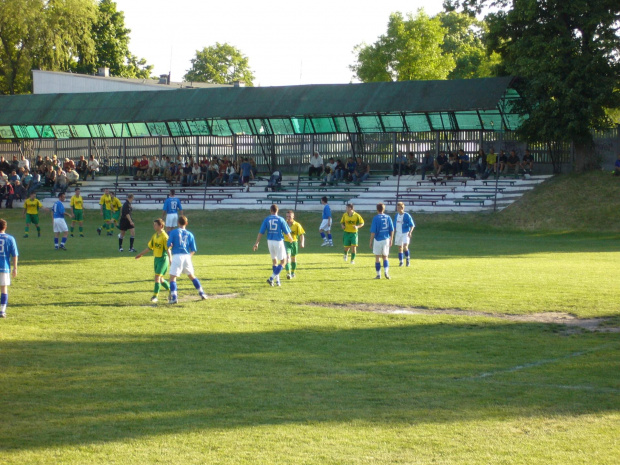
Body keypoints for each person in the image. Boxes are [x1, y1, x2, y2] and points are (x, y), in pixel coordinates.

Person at [167, 215, 207, 303]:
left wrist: (170, 247)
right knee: (192, 276)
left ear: (178, 222)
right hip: (187, 256)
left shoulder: (173, 232)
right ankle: (202, 293)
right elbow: (193, 250)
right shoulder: (190, 234)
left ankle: (174, 297)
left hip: (177, 256)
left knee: (173, 278)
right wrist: (189, 257)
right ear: (186, 223)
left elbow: (169, 245)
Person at [252, 204, 293, 287]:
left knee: (274, 261)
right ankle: (271, 278)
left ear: (270, 211)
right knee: (283, 262)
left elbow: (261, 232)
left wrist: (257, 243)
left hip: (270, 241)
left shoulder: (267, 219)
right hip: (278, 241)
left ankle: (277, 281)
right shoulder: (281, 219)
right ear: (277, 210)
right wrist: (290, 238)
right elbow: (286, 232)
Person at [135, 218, 172, 303]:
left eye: (155, 224)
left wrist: (170, 259)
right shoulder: (155, 236)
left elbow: (168, 249)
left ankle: (155, 296)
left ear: (161, 226)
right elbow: (149, 248)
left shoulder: (165, 236)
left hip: (163, 259)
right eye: (154, 224)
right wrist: (140, 254)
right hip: (156, 259)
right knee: (161, 280)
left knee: (157, 277)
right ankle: (171, 291)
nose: (154, 226)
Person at [369, 203, 394, 280]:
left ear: (377, 209)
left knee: (377, 257)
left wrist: (371, 241)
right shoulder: (388, 217)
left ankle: (378, 274)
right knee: (385, 257)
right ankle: (386, 272)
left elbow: (373, 231)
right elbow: (392, 229)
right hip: (386, 239)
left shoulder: (375, 218)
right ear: (384, 209)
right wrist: (391, 239)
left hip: (378, 239)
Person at [0, 218, 18, 318]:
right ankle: (2, 311)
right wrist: (15, 268)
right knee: (3, 288)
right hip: (4, 267)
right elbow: (15, 254)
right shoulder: (10, 238)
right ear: (5, 227)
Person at [284, 210, 305, 279]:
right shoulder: (284, 224)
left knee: (293, 258)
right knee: (287, 257)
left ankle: (293, 272)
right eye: (287, 216)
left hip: (294, 243)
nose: (288, 218)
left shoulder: (297, 225)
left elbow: (301, 235)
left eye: (290, 216)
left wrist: (302, 243)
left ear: (293, 216)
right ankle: (288, 273)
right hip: (286, 243)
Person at [393, 202, 415, 267]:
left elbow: (412, 225)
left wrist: (410, 232)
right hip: (398, 233)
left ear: (402, 208)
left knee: (405, 247)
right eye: (397, 207)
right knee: (400, 248)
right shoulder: (396, 215)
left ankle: (407, 259)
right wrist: (393, 233)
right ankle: (401, 262)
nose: (397, 209)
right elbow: (395, 225)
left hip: (405, 233)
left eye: (398, 207)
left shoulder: (407, 215)